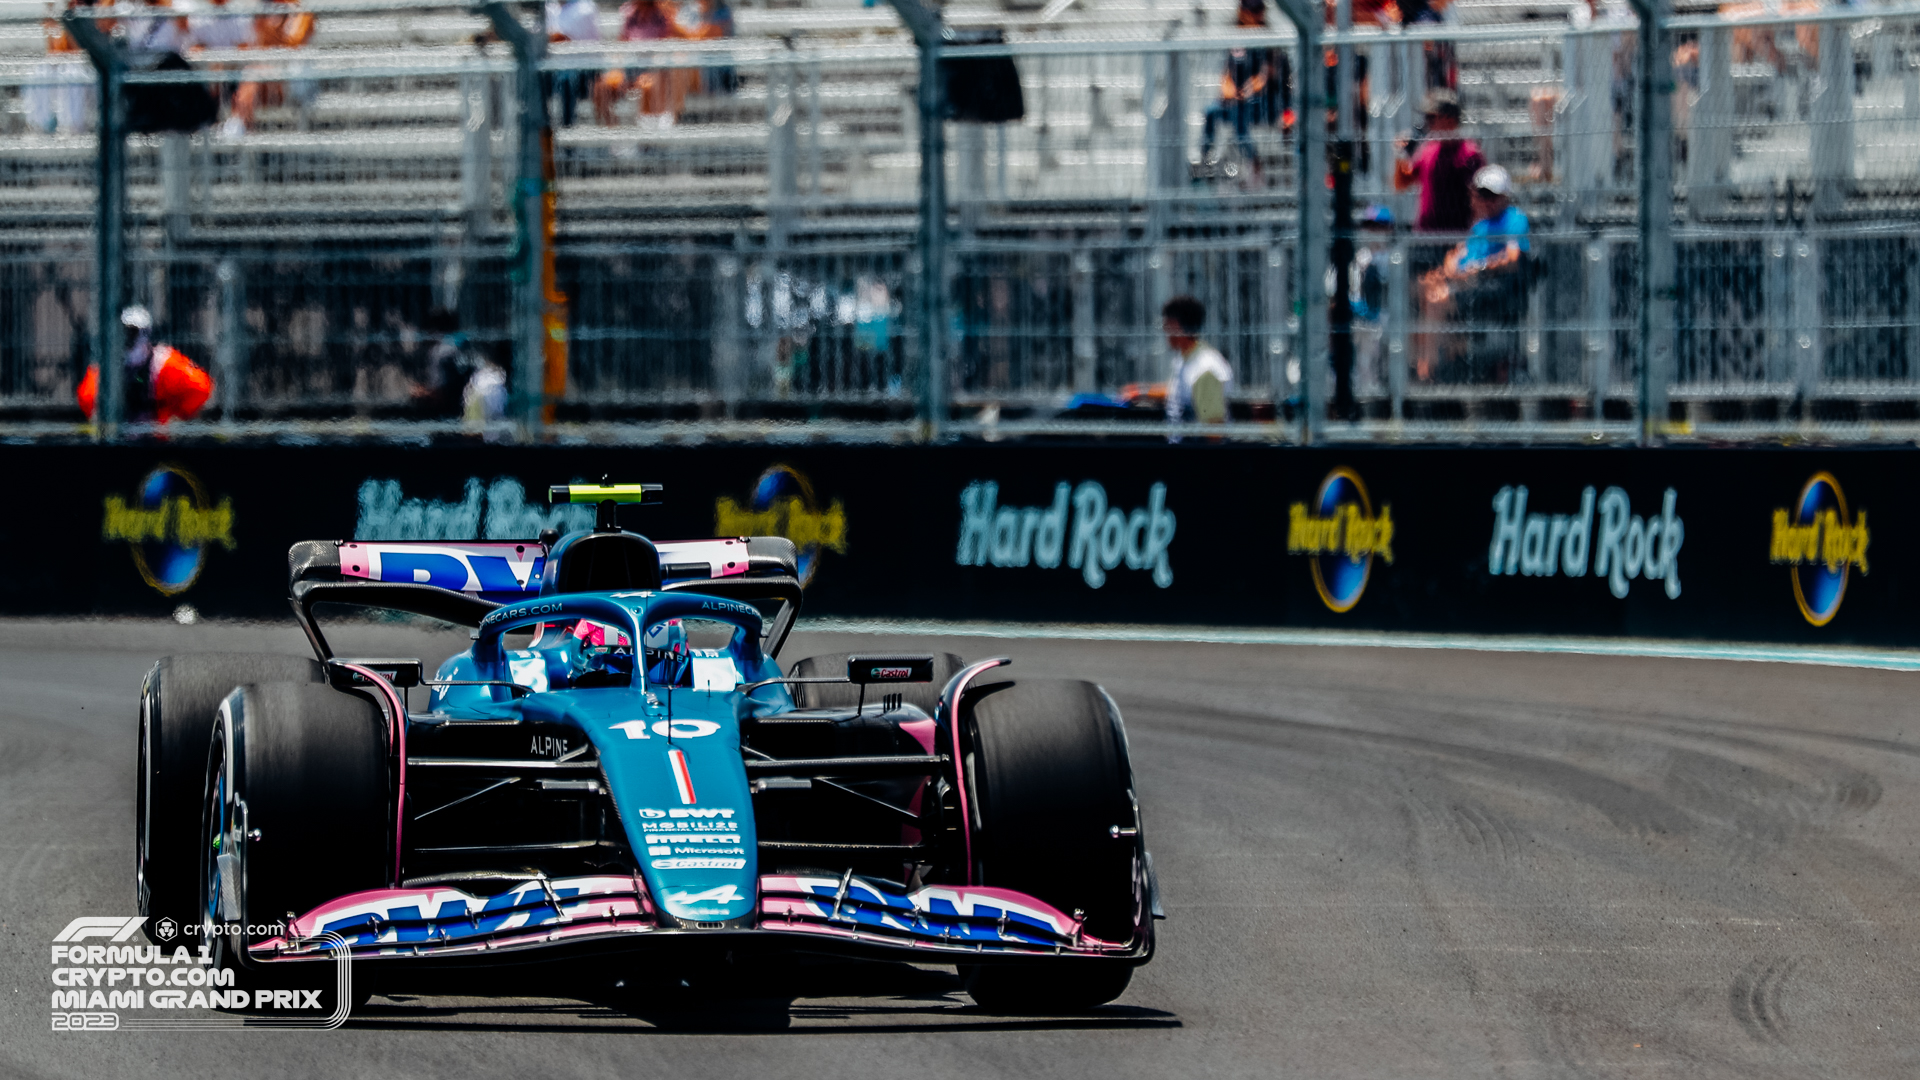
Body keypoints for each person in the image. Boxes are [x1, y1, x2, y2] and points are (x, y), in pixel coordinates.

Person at [1417, 165, 1531, 382]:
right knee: (1425, 285)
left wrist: (1479, 268)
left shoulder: (1514, 219)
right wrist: (1451, 267)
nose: (1485, 201)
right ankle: (1450, 358)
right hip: (1470, 283)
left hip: (1495, 289)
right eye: (1481, 195)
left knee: (1437, 300)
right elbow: (1460, 254)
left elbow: (1513, 258)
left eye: (1491, 196)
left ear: (1504, 196)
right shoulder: (1480, 226)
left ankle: (1428, 369)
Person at [77, 305, 214, 424]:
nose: (128, 337)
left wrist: (176, 412)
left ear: (145, 333)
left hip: (155, 438)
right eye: (125, 332)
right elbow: (87, 396)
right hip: (119, 437)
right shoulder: (108, 365)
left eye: (133, 332)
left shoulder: (163, 363)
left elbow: (200, 387)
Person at [1394, 88, 1485, 233]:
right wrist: (1401, 153)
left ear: (1450, 119)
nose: (1427, 123)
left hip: (1457, 235)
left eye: (1432, 117)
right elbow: (1401, 184)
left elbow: (1481, 197)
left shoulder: (1469, 152)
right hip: (1427, 236)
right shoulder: (1428, 148)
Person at [1200, 0, 1274, 176]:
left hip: (1259, 102)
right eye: (1250, 10)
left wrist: (1248, 91)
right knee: (1211, 112)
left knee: (1239, 114)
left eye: (1257, 11)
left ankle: (1252, 160)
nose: (1254, 15)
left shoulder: (1268, 39)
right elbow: (1226, 73)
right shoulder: (1235, 38)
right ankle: (1206, 160)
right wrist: (1229, 91)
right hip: (1235, 100)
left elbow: (1266, 75)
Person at [1161, 295, 1234, 425]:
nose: (1164, 329)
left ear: (1176, 326)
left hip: (1195, 445)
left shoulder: (1205, 369)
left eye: (1167, 324)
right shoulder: (1184, 358)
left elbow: (1214, 430)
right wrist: (1141, 391)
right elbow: (1179, 392)